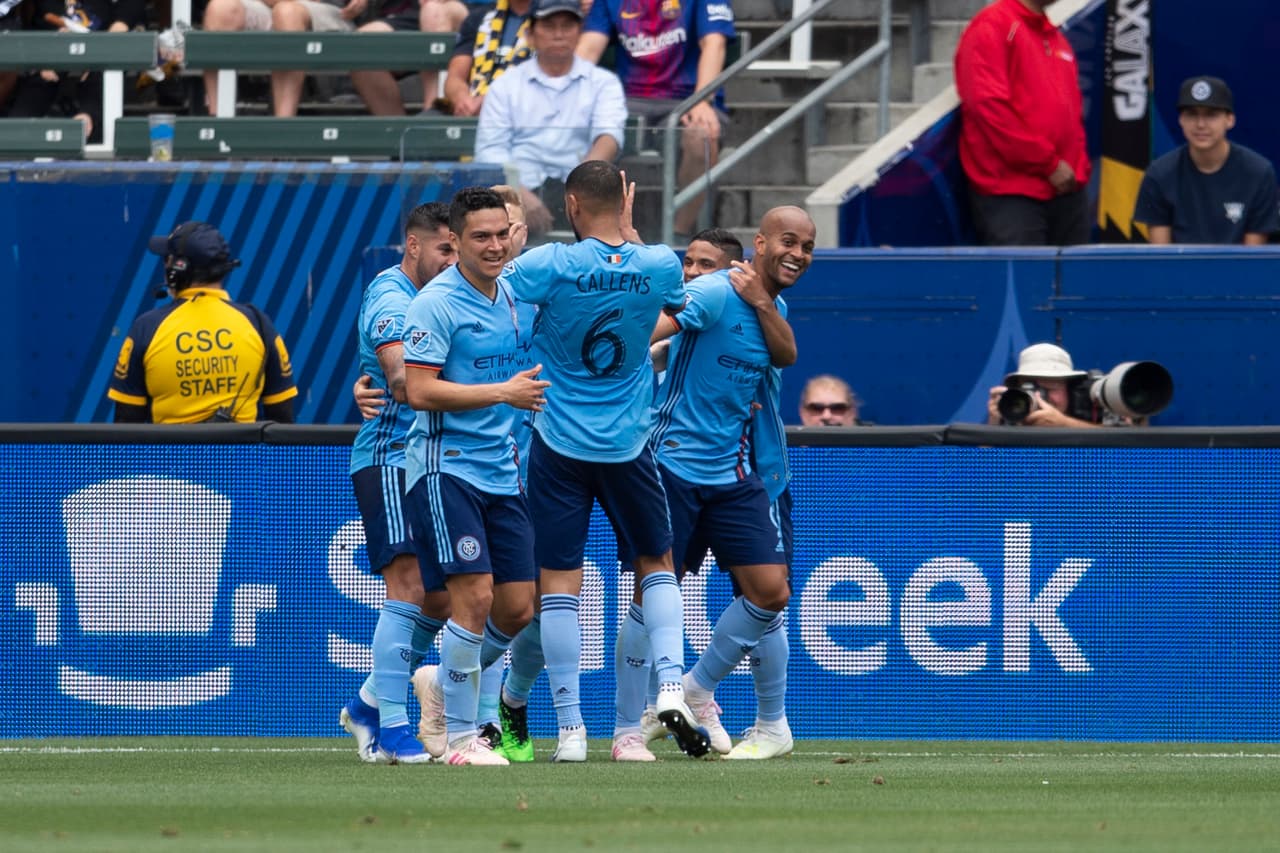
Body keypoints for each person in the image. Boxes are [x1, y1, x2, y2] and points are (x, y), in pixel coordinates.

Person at [498, 159, 708, 763]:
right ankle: (668, 688)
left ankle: (568, 732)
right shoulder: (662, 263)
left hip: (558, 445)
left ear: (569, 205)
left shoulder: (545, 265)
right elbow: (669, 301)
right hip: (628, 445)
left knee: (560, 583)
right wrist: (630, 231)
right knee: (655, 564)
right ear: (625, 198)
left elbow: (488, 295)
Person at [637, 206, 812, 761]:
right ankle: (628, 725)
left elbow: (787, 352)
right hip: (675, 467)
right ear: (759, 246)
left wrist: (761, 301)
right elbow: (651, 331)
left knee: (769, 593)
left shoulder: (771, 305)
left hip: (745, 472)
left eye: (807, 247)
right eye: (789, 242)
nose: (799, 254)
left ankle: (713, 697)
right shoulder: (712, 294)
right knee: (655, 596)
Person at [400, 186, 546, 766]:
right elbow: (418, 390)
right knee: (475, 597)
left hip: (501, 470)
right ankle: (460, 739)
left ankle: (440, 683)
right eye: (480, 236)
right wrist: (503, 393)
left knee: (517, 608)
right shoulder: (436, 303)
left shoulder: (516, 291)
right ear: (454, 240)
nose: (493, 245)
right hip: (445, 468)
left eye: (502, 234)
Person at [339, 202, 457, 764]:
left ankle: (366, 701)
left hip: (437, 460)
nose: (453, 260)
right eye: (445, 249)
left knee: (441, 596)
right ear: (413, 245)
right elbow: (400, 380)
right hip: (390, 458)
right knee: (407, 588)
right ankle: (391, 725)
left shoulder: (452, 295)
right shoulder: (393, 297)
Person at [108, 221, 297, 424]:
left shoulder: (145, 329)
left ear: (176, 269)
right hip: (241, 456)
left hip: (172, 456)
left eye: (166, 259)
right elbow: (283, 422)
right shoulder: (259, 325)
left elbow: (126, 425)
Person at [576, 0, 735, 238]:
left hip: (686, 99)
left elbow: (714, 43)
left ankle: (679, 236)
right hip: (628, 99)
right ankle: (586, 234)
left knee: (700, 136)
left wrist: (701, 100)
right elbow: (588, 49)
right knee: (577, 128)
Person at [474, 0, 626, 237]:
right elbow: (490, 152)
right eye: (549, 26)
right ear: (530, 34)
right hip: (517, 195)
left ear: (580, 33)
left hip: (583, 194)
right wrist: (520, 197)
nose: (558, 34)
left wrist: (579, 193)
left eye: (567, 26)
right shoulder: (504, 86)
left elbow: (609, 138)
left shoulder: (604, 82)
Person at [954, 0, 1091, 246]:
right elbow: (989, 108)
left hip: (1067, 190)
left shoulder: (1057, 39)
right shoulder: (993, 24)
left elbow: (1073, 115)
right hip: (1012, 193)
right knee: (1025, 283)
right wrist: (1048, 164)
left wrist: (1077, 169)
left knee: (1077, 284)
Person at [1133, 76, 1280, 245]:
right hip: (1179, 270)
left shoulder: (1258, 173)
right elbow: (1161, 258)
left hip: (1237, 271)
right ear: (1181, 120)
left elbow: (1250, 260)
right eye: (1191, 114)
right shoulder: (1159, 174)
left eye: (1211, 115)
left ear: (1230, 120)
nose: (1201, 124)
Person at [6, 0, 148, 143]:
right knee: (41, 80)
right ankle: (15, 135)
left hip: (103, 45)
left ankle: (86, 118)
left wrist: (98, 51)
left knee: (101, 76)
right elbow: (44, 20)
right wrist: (49, 51)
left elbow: (122, 24)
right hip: (55, 44)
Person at [200, 0, 363, 117]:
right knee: (220, 8)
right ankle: (217, 122)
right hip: (268, 6)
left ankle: (283, 129)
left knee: (287, 12)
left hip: (329, 10)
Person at [349, 0, 468, 117]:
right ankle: (397, 130)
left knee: (433, 11)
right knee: (360, 45)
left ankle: (432, 111)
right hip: (412, 12)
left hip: (468, 10)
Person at [423, 0, 533, 118]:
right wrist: (463, 100)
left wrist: (492, 100)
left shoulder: (548, 23)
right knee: (419, 127)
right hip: (472, 106)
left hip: (524, 112)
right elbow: (455, 78)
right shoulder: (479, 18)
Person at [986, 342, 1098, 428]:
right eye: (1031, 387)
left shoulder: (1090, 419)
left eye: (1052, 387)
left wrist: (1065, 424)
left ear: (1070, 390)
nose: (1040, 397)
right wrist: (994, 427)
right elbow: (985, 458)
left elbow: (1112, 444)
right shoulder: (1010, 428)